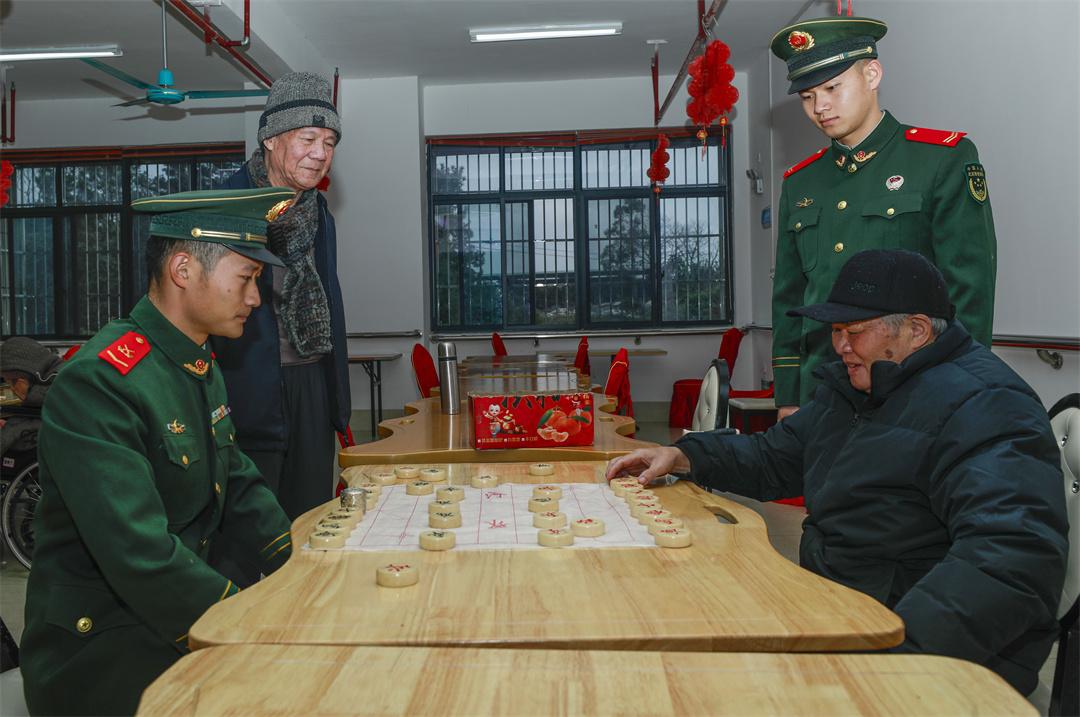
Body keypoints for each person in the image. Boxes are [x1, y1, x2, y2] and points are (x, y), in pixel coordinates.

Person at [608, 250, 1067, 696]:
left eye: (855, 331)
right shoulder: (858, 386)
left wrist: (895, 660)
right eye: (836, 331)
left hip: (921, 649)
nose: (841, 346)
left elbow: (1008, 559)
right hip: (840, 605)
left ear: (917, 330)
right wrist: (684, 456)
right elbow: (774, 457)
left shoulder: (987, 403)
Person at [21, 188, 298, 716]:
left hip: (174, 611)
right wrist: (244, 617)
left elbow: (236, 478)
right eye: (246, 278)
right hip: (105, 649)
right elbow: (138, 551)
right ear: (183, 269)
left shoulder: (194, 359)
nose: (255, 299)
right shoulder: (100, 382)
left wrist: (301, 559)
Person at [768, 16, 997, 418]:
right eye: (807, 96)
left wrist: (958, 390)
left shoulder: (940, 160)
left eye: (832, 88)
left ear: (872, 75)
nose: (820, 107)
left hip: (913, 388)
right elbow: (790, 297)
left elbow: (968, 290)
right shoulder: (801, 183)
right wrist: (789, 395)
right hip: (822, 391)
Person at [214, 71, 351, 520]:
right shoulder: (223, 208)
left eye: (329, 142)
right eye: (308, 138)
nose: (320, 153)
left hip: (312, 380)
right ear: (270, 139)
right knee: (247, 525)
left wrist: (336, 400)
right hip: (245, 384)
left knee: (312, 518)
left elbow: (330, 297)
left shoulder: (319, 213)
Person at [0, 337, 63, 455]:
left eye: (9, 381)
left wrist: (8, 426)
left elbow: (18, 430)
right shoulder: (61, 375)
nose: (11, 388)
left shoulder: (41, 396)